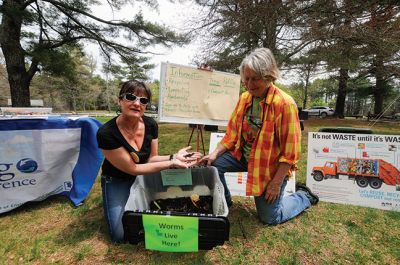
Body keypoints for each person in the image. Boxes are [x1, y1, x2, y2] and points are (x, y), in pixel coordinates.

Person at [201, 48, 318, 225]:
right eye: (246, 79)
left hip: (269, 166)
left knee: (270, 217)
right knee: (214, 166)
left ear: (268, 76)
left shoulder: (285, 104)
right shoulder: (245, 98)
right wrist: (214, 154)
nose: (249, 84)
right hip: (244, 157)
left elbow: (291, 153)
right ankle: (225, 202)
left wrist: (275, 183)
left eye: (255, 78)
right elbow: (231, 134)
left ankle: (304, 196)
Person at [96, 80, 201, 243]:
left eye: (143, 100)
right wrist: (171, 163)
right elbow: (132, 168)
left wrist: (174, 156)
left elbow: (152, 158)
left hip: (144, 174)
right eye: (131, 97)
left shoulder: (151, 124)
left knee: (165, 205)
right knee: (120, 235)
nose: (137, 103)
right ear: (120, 100)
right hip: (117, 178)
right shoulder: (106, 133)